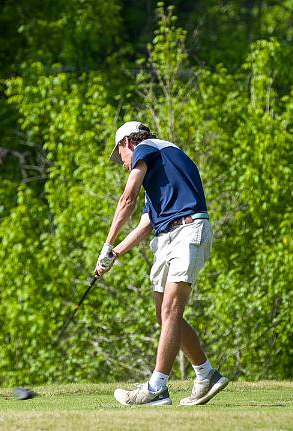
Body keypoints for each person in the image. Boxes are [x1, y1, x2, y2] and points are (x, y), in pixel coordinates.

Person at [94, 121, 229, 406]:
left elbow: (127, 199)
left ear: (128, 143)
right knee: (165, 315)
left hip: (187, 230)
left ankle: (157, 388)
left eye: (120, 155)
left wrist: (106, 243)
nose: (122, 163)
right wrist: (114, 254)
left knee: (170, 310)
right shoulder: (161, 171)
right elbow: (146, 223)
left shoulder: (146, 148)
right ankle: (206, 375)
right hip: (168, 235)